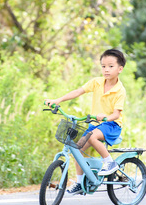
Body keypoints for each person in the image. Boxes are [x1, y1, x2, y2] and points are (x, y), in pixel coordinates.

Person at [45, 49, 126, 195]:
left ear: (120, 69)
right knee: (77, 149)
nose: (106, 69)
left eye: (110, 66)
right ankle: (80, 182)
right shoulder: (96, 82)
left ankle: (109, 162)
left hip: (112, 125)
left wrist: (106, 117)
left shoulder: (120, 90)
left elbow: (116, 114)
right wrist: (58, 100)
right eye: (103, 66)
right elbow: (78, 91)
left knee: (92, 136)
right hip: (96, 124)